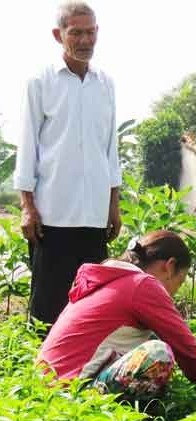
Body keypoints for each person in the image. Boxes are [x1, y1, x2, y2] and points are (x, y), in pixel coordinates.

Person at [13, 1, 121, 328]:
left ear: (98, 32)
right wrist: (27, 207)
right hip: (52, 217)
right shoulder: (40, 82)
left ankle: (80, 373)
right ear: (58, 35)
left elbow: (110, 150)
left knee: (88, 306)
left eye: (90, 32)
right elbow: (27, 146)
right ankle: (42, 374)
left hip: (93, 217)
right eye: (76, 33)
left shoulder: (105, 84)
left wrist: (113, 205)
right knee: (48, 305)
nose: (85, 40)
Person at [37, 230, 196, 400]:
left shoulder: (111, 279)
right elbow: (186, 348)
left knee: (151, 337)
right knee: (158, 353)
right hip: (70, 392)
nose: (175, 291)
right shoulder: (143, 285)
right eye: (180, 281)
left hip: (43, 386)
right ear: (169, 267)